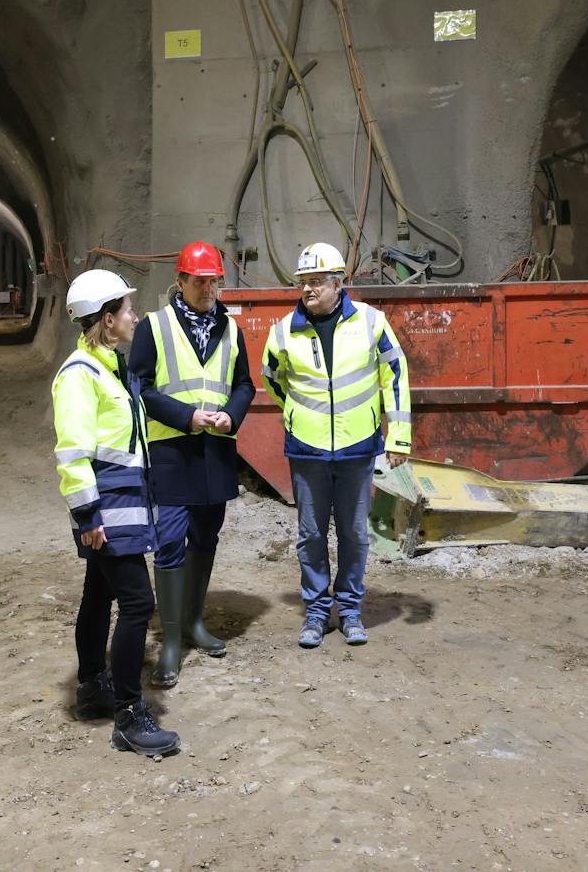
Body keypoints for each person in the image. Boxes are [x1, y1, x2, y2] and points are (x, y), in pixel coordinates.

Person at [51, 268, 179, 756]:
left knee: (99, 594)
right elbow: (73, 453)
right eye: (127, 309)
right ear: (107, 320)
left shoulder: (111, 368)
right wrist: (88, 517)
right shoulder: (79, 376)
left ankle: (91, 689)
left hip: (122, 502)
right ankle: (128, 712)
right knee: (139, 604)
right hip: (107, 508)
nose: (135, 315)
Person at [261, 243, 412, 649]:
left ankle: (348, 610)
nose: (307, 290)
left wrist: (397, 437)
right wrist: (299, 413)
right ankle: (315, 613)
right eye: (303, 282)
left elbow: (394, 377)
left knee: (354, 534)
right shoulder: (283, 331)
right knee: (310, 535)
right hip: (307, 450)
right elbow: (273, 378)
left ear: (337, 282)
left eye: (315, 282)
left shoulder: (371, 323)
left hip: (358, 447)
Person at [128, 241, 256, 687]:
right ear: (180, 281)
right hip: (172, 453)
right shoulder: (154, 327)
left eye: (214, 280)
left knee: (206, 537)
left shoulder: (230, 328)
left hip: (215, 452)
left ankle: (194, 623)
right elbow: (140, 388)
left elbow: (244, 385)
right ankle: (170, 642)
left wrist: (231, 414)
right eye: (199, 280)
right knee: (170, 543)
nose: (207, 288)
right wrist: (186, 416)